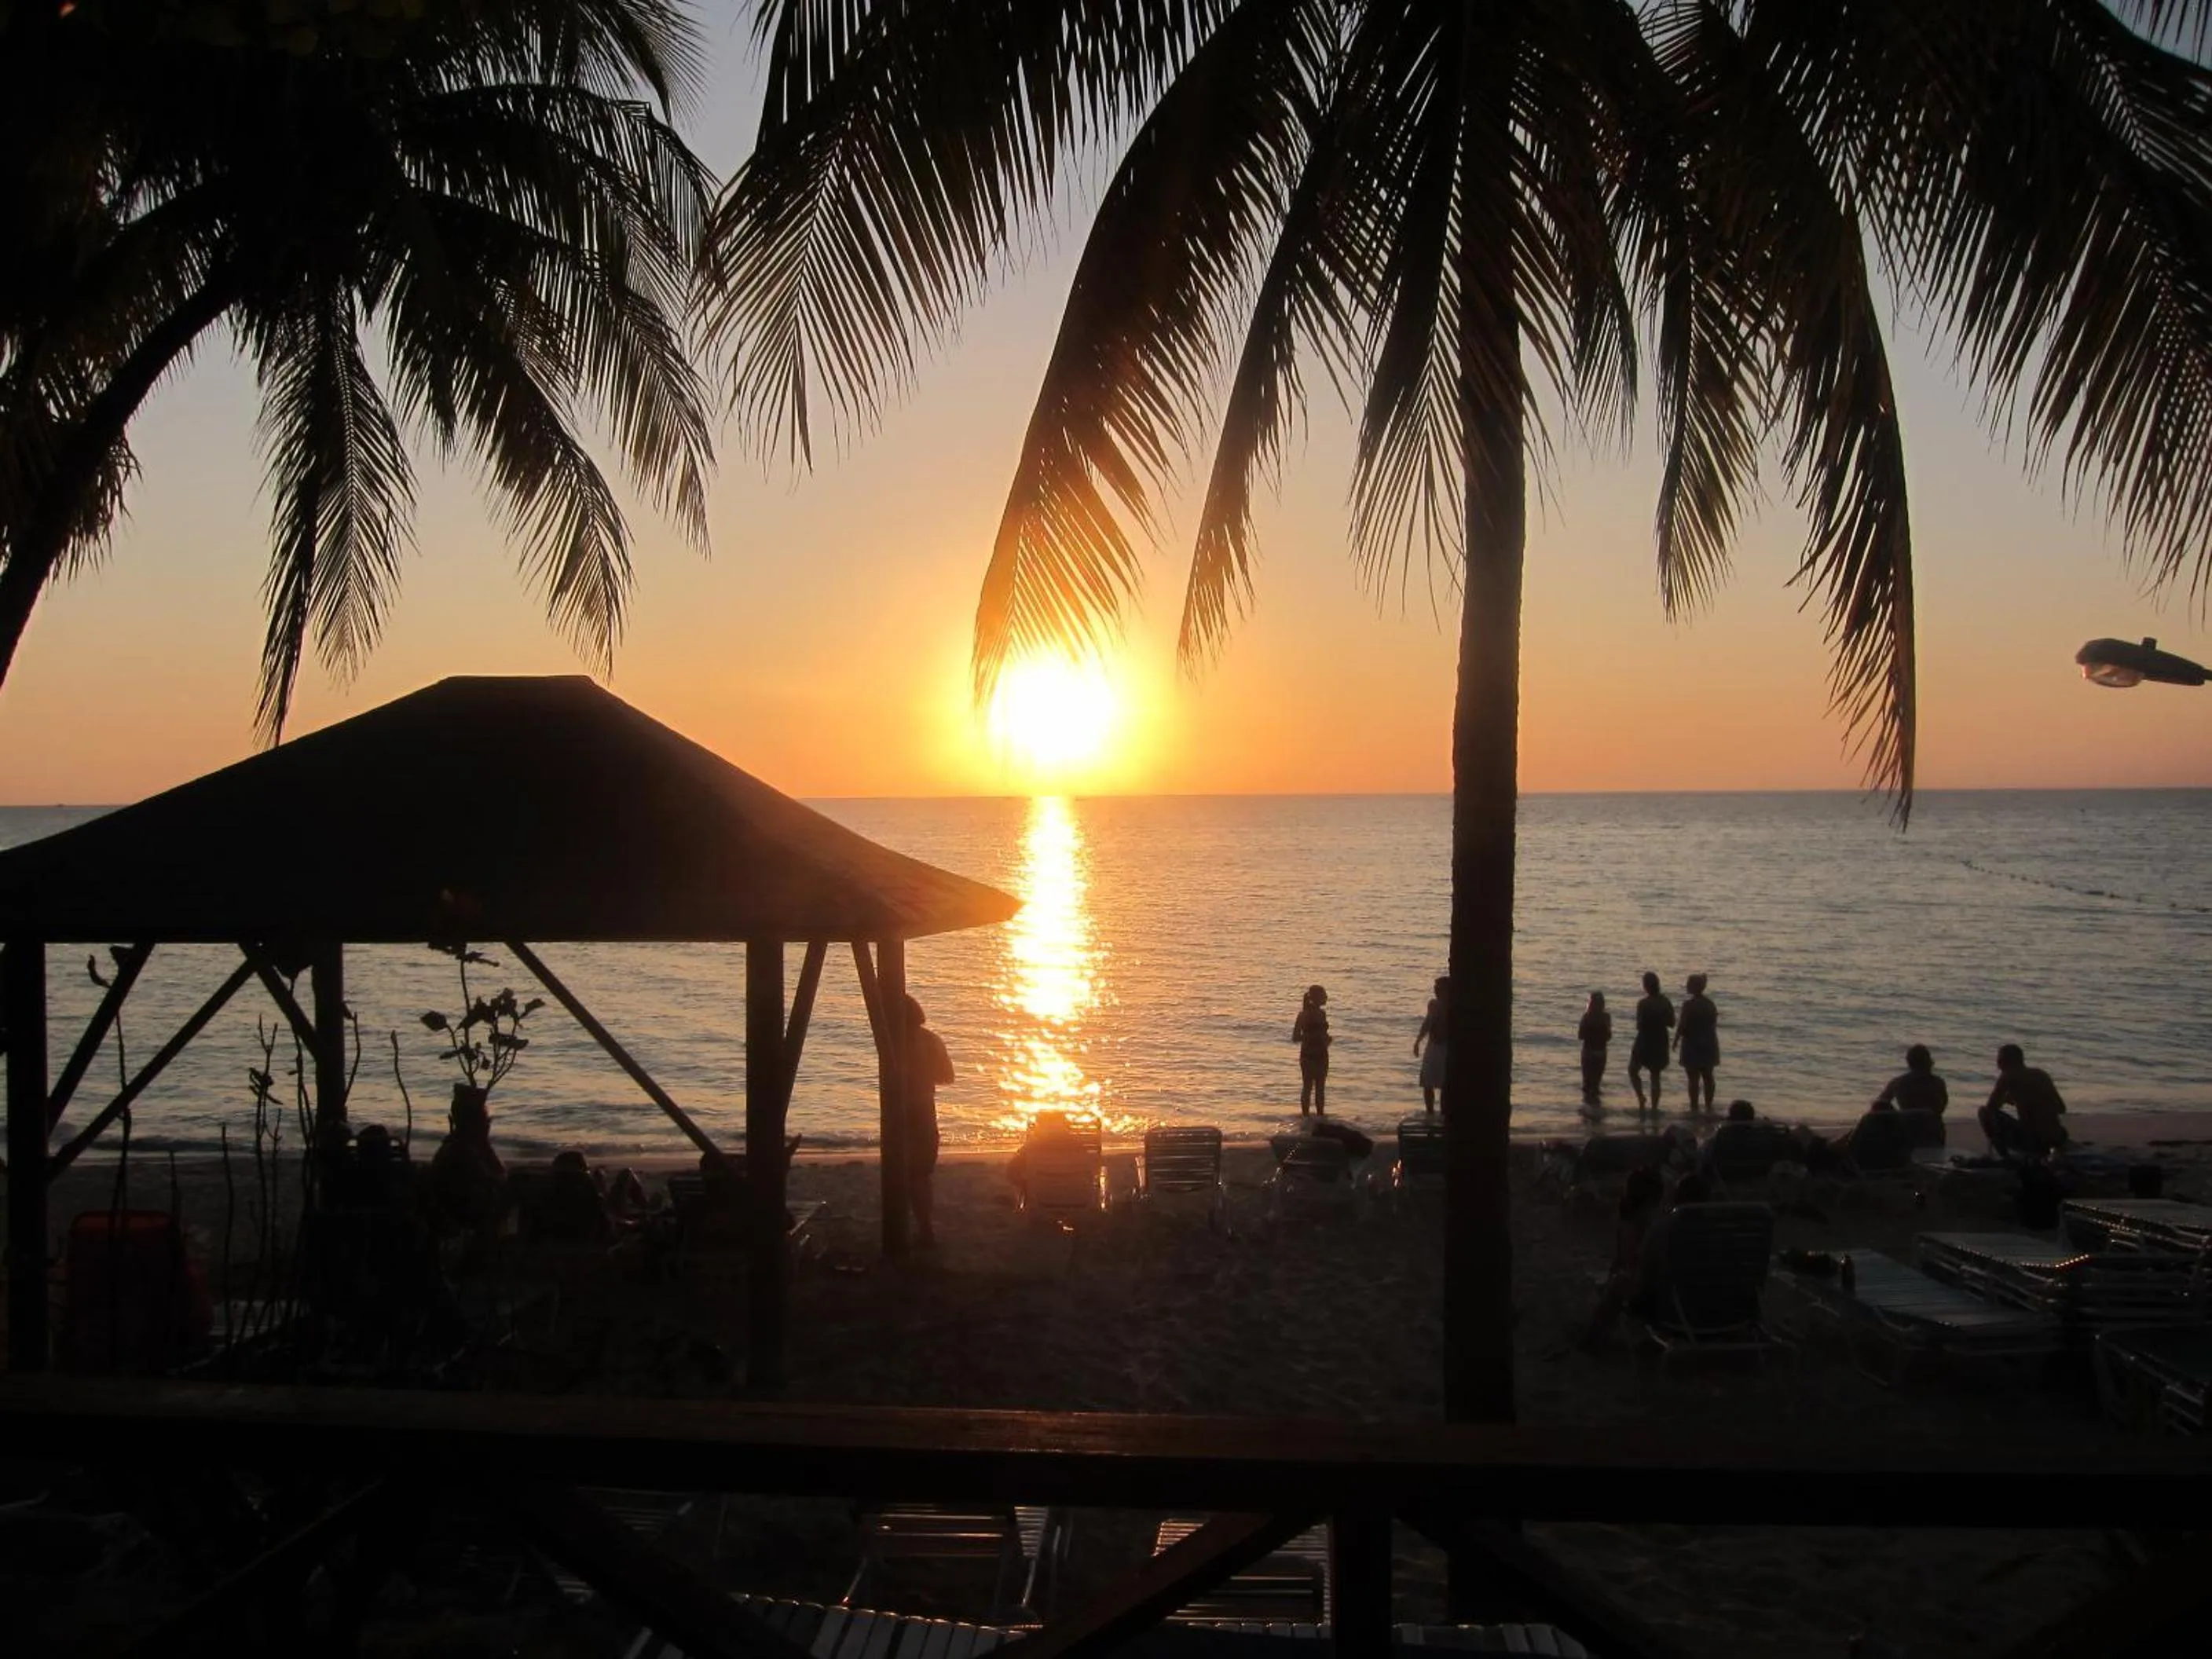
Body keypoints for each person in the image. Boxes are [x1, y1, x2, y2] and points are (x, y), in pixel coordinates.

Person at [904, 994, 956, 1246]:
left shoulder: (894, 1041)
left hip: (903, 1110)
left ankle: (918, 1228)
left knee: (908, 1172)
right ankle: (925, 1228)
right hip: (925, 1108)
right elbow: (948, 1077)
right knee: (921, 1174)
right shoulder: (932, 1040)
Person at [428, 1089, 507, 1242]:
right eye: (486, 1119)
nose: (488, 1123)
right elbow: (498, 1178)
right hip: (465, 1222)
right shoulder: (462, 1151)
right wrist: (485, 1143)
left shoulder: (457, 1145)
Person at [1980, 1043, 2069, 1160]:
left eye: (2000, 1060)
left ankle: (2005, 1157)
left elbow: (1991, 1108)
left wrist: (2005, 1098)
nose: (1998, 1065)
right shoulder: (2040, 1075)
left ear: (2006, 1062)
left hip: (2033, 1140)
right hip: (2057, 1137)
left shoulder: (2008, 1077)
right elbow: (2061, 1108)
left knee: (1983, 1113)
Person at [1628, 972, 1674, 1111]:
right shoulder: (1665, 1002)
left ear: (1646, 986)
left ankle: (1641, 1097)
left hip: (1644, 1040)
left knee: (1633, 1070)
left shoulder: (1643, 1004)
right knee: (1655, 1076)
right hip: (1660, 1040)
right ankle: (1654, 1107)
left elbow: (1639, 1025)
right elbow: (1672, 1023)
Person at [1675, 973, 1719, 1113]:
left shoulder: (1688, 1005)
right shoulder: (1710, 1004)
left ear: (1693, 987)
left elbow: (1682, 1026)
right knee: (1708, 1077)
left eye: (1688, 984)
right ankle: (1708, 1106)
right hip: (1709, 1043)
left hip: (1692, 1044)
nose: (1687, 986)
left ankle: (1694, 1107)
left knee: (1693, 1078)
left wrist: (1675, 1041)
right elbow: (1713, 1023)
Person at [1872, 1044, 1949, 1116]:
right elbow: (1941, 1108)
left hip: (1906, 1126)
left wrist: (1895, 1117)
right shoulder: (1938, 1083)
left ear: (1909, 1063)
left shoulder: (1898, 1083)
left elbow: (1880, 1104)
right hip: (1933, 1127)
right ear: (1928, 1063)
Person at [1292, 983, 1332, 1116]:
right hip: (1313, 1055)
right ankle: (1313, 1117)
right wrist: (1313, 1037)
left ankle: (1313, 1118)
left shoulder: (1314, 1014)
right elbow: (1296, 1037)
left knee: (1313, 1088)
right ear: (1316, 998)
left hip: (1314, 1054)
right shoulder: (1310, 1015)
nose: (1326, 998)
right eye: (1324, 995)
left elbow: (1297, 1037)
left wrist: (1323, 1038)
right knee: (1314, 1088)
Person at [1414, 976, 1450, 1113]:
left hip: (1445, 1048)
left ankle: (1443, 1113)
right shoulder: (1434, 1005)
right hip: (1434, 1047)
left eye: (1439, 988)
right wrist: (1418, 1041)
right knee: (1428, 1083)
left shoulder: (1453, 1006)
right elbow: (1427, 1025)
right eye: (1436, 988)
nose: (1436, 990)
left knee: (1444, 1084)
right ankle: (1430, 1112)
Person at [1577, 991, 1612, 1106]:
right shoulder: (1606, 1017)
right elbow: (1608, 1037)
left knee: (1586, 1084)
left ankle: (1587, 1109)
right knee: (1596, 1085)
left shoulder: (1586, 1017)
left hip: (1588, 1052)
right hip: (1601, 1053)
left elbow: (1580, 1036)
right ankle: (1596, 1109)